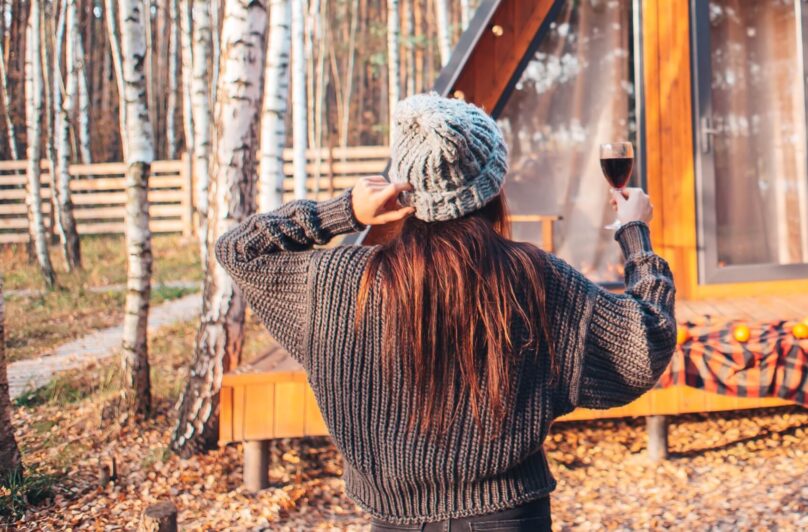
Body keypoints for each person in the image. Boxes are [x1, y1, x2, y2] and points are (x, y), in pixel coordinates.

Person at [216, 93, 676, 531]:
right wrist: (634, 232)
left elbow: (238, 250)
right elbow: (644, 344)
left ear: (405, 188)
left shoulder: (336, 284)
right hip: (509, 518)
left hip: (393, 523)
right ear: (494, 187)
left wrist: (346, 212)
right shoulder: (535, 279)